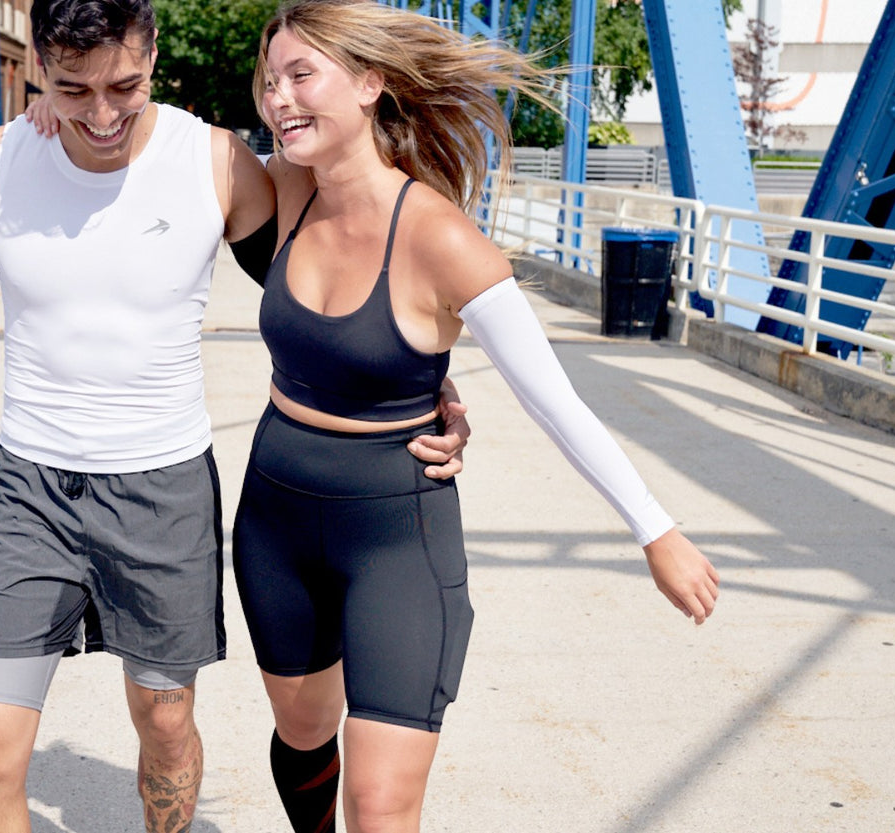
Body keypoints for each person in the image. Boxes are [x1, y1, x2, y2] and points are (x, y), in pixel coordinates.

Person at [0, 2, 469, 831]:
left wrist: (425, 386)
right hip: (28, 489)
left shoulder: (213, 162)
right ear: (37, 67)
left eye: (124, 86)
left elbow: (312, 290)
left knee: (166, 724)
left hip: (163, 491)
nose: (102, 114)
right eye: (73, 89)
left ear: (152, 54)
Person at [228, 2, 724, 832]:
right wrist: (68, 105)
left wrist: (656, 529)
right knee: (304, 732)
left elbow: (553, 397)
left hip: (395, 533)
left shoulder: (441, 238)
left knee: (381, 803)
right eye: (270, 80)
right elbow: (166, 155)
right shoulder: (282, 191)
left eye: (301, 76)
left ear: (370, 84)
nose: (277, 99)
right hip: (274, 516)